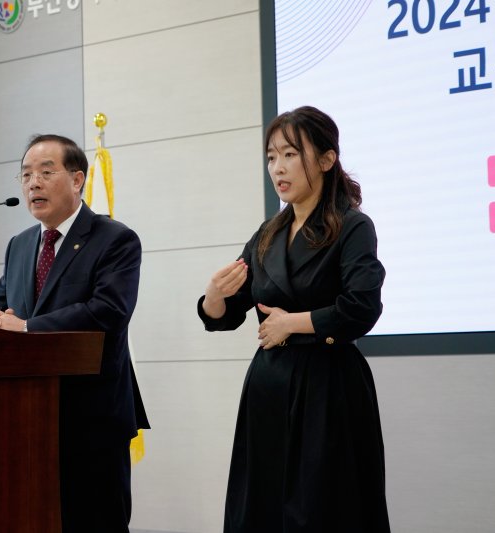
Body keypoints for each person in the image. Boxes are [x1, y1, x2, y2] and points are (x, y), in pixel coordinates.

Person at [198, 106, 390, 532]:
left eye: (289, 154)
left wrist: (293, 323)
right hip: (268, 388)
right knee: (262, 505)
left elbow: (362, 307)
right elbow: (228, 314)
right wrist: (212, 297)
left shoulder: (353, 226)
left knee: (321, 506)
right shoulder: (268, 233)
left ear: (326, 159)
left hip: (328, 387)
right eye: (271, 157)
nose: (277, 167)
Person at [0, 133, 148, 533]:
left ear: (77, 180)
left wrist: (26, 327)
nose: (32, 184)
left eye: (45, 172)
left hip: (92, 416)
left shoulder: (115, 240)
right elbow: (1, 311)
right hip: (27, 417)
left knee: (96, 523)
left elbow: (109, 312)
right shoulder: (19, 245)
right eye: (25, 175)